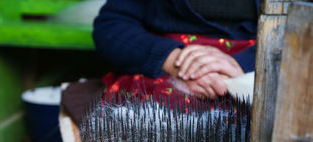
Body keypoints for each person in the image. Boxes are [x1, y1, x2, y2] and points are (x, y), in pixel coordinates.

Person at [92, 0, 259, 99]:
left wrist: (239, 65)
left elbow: (283, 39)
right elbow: (111, 27)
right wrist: (173, 61)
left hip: (260, 70)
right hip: (167, 68)